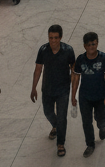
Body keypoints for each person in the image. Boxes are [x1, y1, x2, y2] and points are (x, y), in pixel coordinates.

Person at [30, 24, 75, 157]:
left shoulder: (68, 50)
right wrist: (33, 88)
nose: (53, 41)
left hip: (63, 90)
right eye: (51, 38)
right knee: (48, 112)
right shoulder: (43, 50)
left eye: (56, 38)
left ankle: (60, 143)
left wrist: (74, 90)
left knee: (62, 117)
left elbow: (73, 70)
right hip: (47, 89)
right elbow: (38, 69)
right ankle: (55, 126)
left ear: (60, 37)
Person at [71, 31, 105, 158]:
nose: (91, 47)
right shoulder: (80, 60)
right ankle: (90, 144)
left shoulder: (104, 58)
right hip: (85, 97)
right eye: (88, 45)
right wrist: (73, 95)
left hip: (100, 96)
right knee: (86, 121)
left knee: (100, 118)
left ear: (97, 43)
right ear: (84, 46)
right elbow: (76, 77)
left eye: (93, 44)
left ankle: (102, 127)